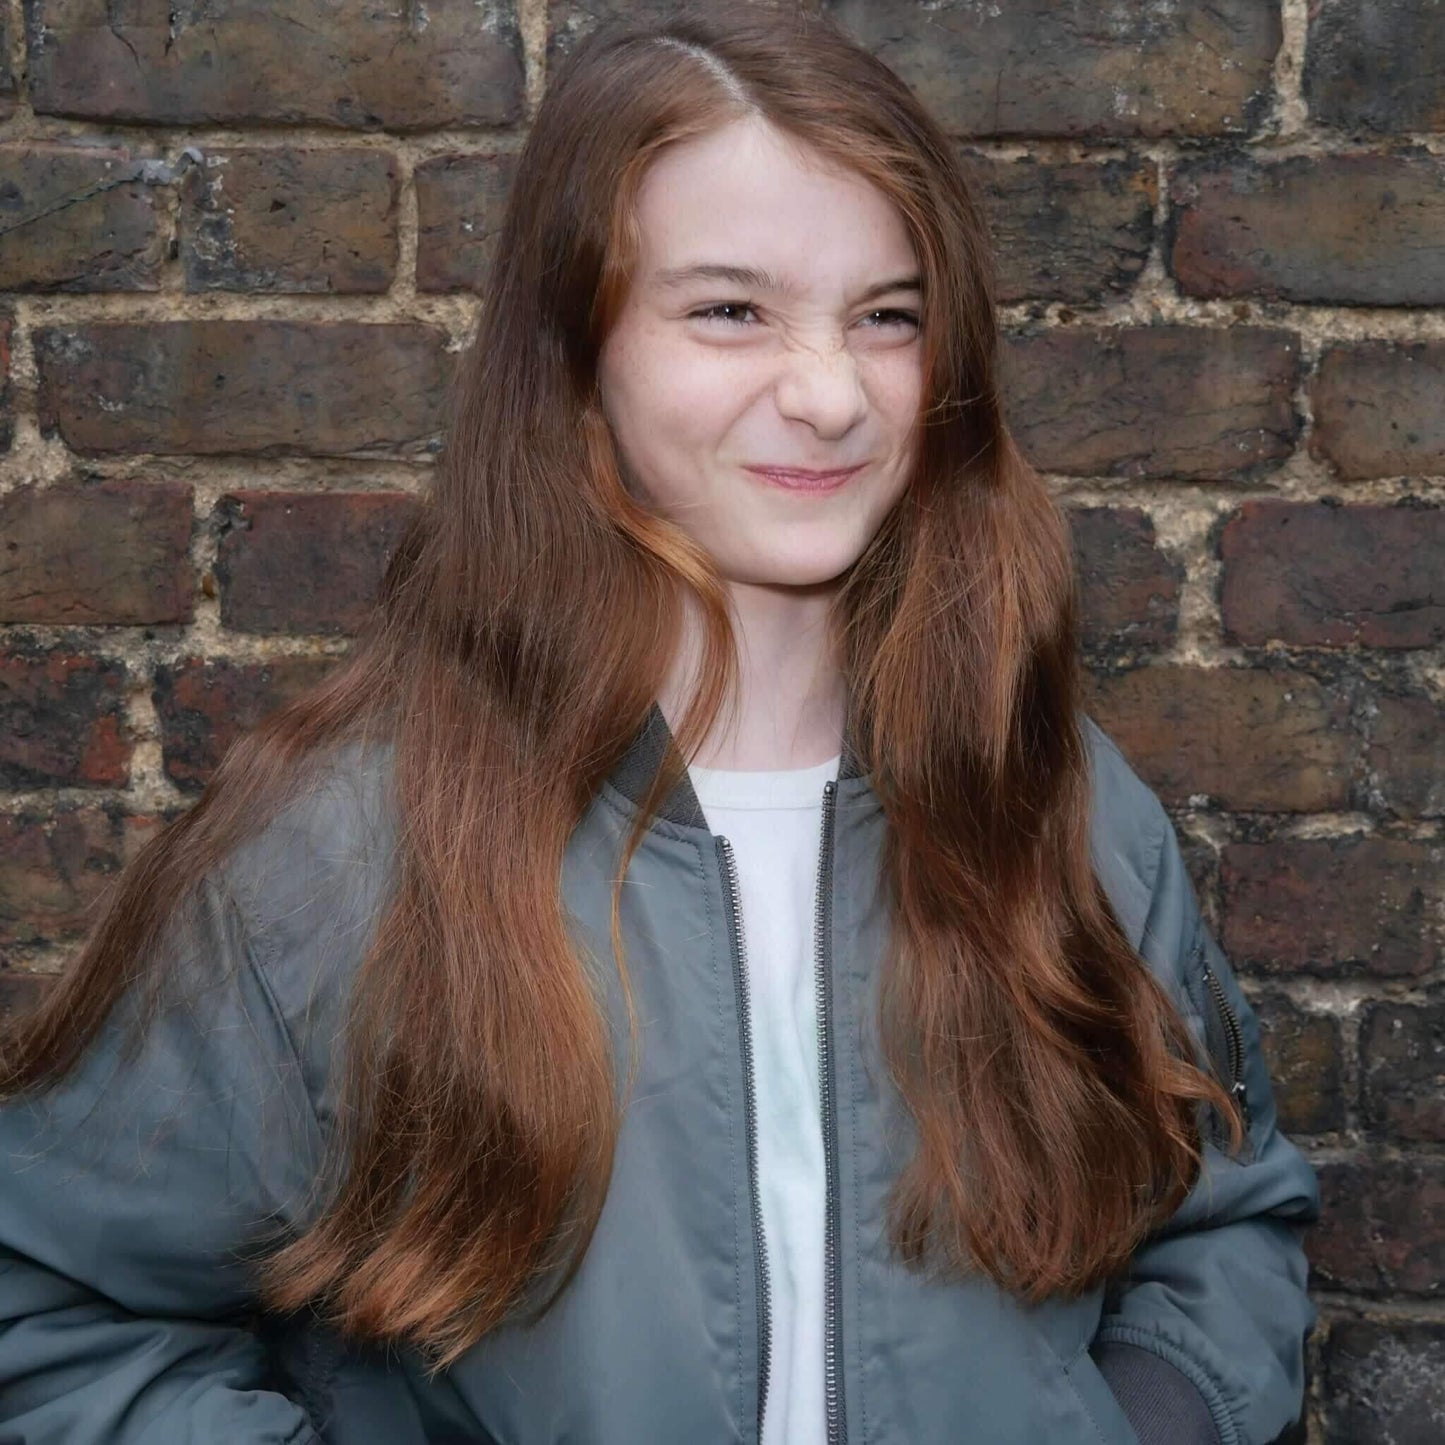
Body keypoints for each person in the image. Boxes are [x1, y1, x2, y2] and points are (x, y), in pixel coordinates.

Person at [0, 6, 1319, 1443]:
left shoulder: (1053, 801)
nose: (826, 395)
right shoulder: (341, 851)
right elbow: (50, 1316)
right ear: (577, 352)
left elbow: (1223, 1228)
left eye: (885, 314)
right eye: (730, 310)